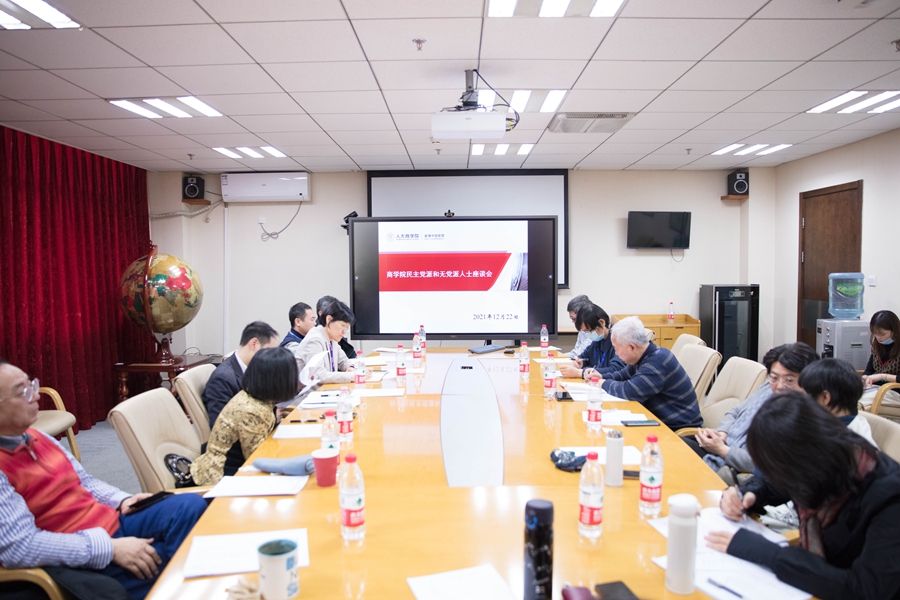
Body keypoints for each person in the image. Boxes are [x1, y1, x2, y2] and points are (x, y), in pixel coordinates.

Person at [0, 360, 206, 600]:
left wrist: (122, 500)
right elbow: (20, 546)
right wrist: (110, 549)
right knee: (175, 559)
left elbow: (85, 482)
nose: (36, 396)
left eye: (32, 385)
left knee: (189, 506)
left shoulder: (38, 436)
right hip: (79, 553)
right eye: (23, 392)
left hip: (111, 521)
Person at [707, 391, 900, 600]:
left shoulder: (889, 496)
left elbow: (865, 590)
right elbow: (774, 483)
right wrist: (747, 493)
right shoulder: (823, 458)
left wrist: (770, 554)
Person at [686, 342, 819, 478]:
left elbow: (770, 463)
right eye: (774, 377)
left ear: (809, 379)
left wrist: (722, 450)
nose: (779, 386)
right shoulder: (767, 388)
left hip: (730, 467)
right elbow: (735, 412)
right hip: (718, 449)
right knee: (675, 447)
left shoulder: (804, 416)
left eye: (789, 380)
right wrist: (722, 432)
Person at [190, 347, 299, 486]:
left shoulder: (256, 396)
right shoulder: (253, 411)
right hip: (222, 475)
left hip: (236, 465)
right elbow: (257, 460)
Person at [594, 316, 701, 430]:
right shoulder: (644, 355)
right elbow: (623, 375)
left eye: (616, 349)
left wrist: (603, 383)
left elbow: (629, 391)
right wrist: (601, 376)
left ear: (632, 347)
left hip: (676, 429)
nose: (616, 353)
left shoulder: (658, 361)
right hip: (657, 421)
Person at [202, 321, 278, 428]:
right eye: (269, 351)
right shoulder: (222, 379)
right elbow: (221, 427)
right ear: (254, 344)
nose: (272, 358)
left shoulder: (254, 369)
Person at [799, 358, 876, 446]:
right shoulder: (840, 424)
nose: (801, 401)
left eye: (804, 396)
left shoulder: (849, 443)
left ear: (825, 398)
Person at [296, 300, 356, 385]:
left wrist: (349, 367)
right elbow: (319, 376)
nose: (344, 331)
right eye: (343, 326)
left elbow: (343, 361)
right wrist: (351, 376)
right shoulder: (314, 340)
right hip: (310, 392)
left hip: (326, 389)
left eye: (347, 328)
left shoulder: (332, 338)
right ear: (329, 319)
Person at [559, 303, 625, 379]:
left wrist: (581, 373)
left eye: (589, 330)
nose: (588, 334)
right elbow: (584, 357)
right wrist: (580, 362)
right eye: (585, 331)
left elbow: (616, 369)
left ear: (601, 323)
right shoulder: (598, 339)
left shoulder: (619, 339)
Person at [860, 310, 900, 417]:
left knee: (859, 403)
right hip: (876, 388)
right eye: (875, 334)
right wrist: (864, 379)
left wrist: (882, 376)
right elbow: (869, 370)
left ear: (894, 330)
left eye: (882, 334)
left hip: (894, 391)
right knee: (846, 396)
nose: (878, 337)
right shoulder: (877, 346)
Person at [565, 294, 593, 359]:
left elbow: (579, 353)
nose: (573, 321)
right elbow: (577, 350)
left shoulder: (595, 331)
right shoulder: (582, 329)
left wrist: (559, 357)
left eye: (574, 319)